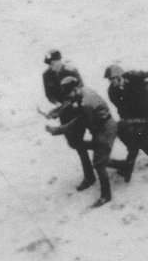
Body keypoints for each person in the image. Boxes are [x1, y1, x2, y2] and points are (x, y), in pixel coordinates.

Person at [46, 76, 119, 207]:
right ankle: (125, 166)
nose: (69, 97)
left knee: (98, 163)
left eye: (70, 94)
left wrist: (58, 130)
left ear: (75, 89)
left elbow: (80, 121)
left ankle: (106, 196)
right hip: (101, 128)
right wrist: (56, 112)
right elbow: (72, 105)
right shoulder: (82, 91)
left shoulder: (87, 103)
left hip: (105, 130)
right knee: (99, 155)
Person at [41, 49, 94, 191]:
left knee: (81, 142)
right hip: (64, 113)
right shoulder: (47, 76)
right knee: (73, 143)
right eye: (50, 64)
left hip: (79, 110)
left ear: (60, 60)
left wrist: (72, 103)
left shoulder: (71, 71)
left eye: (55, 62)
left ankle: (89, 176)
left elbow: (81, 89)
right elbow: (49, 95)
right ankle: (97, 148)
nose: (53, 66)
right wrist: (57, 105)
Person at [103, 64, 148, 182]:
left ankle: (127, 168)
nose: (112, 82)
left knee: (136, 138)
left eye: (114, 79)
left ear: (120, 77)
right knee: (133, 137)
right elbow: (121, 106)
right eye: (110, 80)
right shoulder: (112, 91)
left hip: (143, 111)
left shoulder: (133, 76)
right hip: (129, 116)